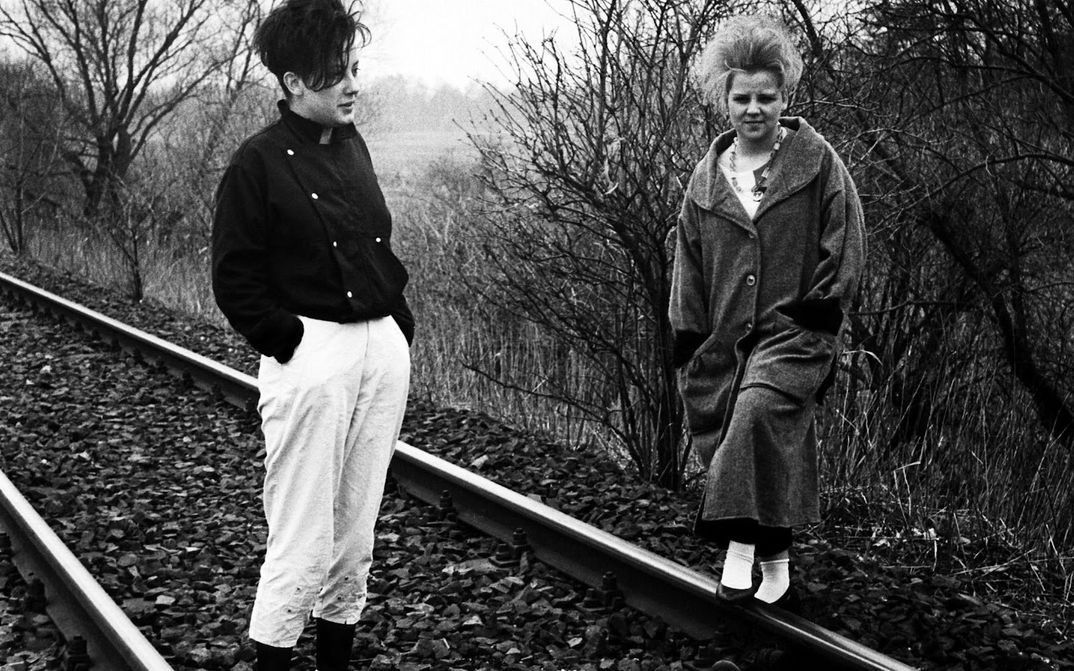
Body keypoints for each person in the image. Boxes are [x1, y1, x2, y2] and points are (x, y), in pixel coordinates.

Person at [211, 0, 413, 668]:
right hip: (312, 354)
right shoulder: (256, 164)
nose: (353, 84)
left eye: (355, 68)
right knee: (302, 536)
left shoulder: (353, 145)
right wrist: (286, 337)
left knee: (356, 531)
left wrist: (397, 325)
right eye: (336, 74)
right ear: (295, 82)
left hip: (376, 349)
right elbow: (234, 276)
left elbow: (374, 242)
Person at [670, 15, 865, 605]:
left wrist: (823, 311)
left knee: (756, 414)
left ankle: (736, 547)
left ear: (785, 95)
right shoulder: (706, 183)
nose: (754, 108)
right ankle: (777, 562)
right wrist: (688, 335)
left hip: (794, 332)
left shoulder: (818, 162)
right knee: (764, 441)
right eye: (742, 97)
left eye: (766, 96)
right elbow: (689, 265)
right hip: (725, 341)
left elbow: (848, 236)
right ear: (724, 100)